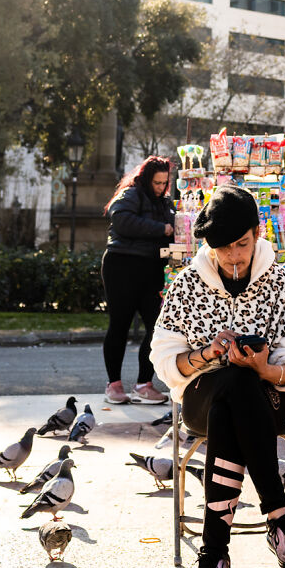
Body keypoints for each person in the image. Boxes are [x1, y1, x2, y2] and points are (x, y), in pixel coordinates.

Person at [150, 185, 285, 568]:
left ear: (258, 232)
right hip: (202, 398)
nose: (234, 256)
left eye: (242, 244)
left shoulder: (279, 282)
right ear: (209, 248)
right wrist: (208, 353)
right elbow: (164, 358)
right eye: (223, 249)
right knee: (230, 385)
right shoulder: (189, 285)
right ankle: (280, 517)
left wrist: (264, 369)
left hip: (268, 401)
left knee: (240, 389)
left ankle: (213, 558)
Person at [101, 156, 175, 405]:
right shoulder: (131, 194)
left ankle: (144, 383)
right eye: (157, 182)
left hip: (152, 268)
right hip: (122, 265)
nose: (161, 187)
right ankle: (114, 385)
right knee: (119, 326)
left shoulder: (165, 202)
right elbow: (120, 218)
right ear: (145, 179)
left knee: (157, 327)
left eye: (165, 183)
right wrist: (160, 229)